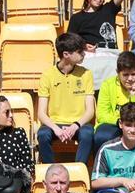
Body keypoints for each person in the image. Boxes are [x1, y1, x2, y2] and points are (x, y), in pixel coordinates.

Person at [37, 32, 96, 164]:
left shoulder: (86, 74)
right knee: (43, 135)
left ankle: (79, 171)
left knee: (87, 134)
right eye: (80, 52)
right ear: (66, 54)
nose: (84, 54)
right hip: (55, 123)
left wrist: (75, 126)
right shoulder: (47, 75)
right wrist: (56, 129)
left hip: (79, 123)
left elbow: (90, 111)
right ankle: (51, 172)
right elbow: (41, 113)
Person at [67, 0, 127, 89]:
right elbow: (69, 42)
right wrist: (83, 46)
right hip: (89, 56)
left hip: (110, 54)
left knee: (118, 67)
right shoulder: (77, 18)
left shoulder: (109, 9)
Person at [93, 51, 135, 153]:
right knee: (101, 136)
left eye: (133, 74)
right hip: (111, 123)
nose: (130, 79)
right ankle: (102, 167)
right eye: (125, 75)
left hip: (134, 123)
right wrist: (119, 122)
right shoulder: (107, 85)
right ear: (118, 72)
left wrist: (134, 96)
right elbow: (102, 115)